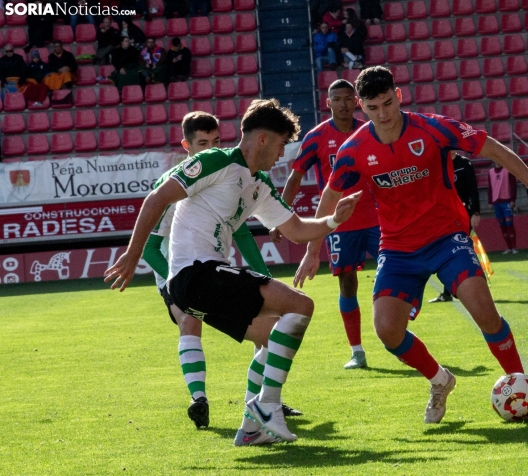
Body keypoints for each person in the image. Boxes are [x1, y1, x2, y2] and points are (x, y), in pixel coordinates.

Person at [294, 67, 528, 423]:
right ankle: (440, 381)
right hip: (396, 247)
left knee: (484, 312)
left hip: (446, 238)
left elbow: (497, 151)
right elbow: (329, 198)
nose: (383, 113)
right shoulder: (354, 150)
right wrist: (312, 250)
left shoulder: (434, 128)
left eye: (388, 103)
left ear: (399, 95)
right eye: (374, 107)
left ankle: (526, 386)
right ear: (361, 106)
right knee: (387, 331)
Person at [105, 98, 363, 444]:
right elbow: (156, 199)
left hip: (206, 281)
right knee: (301, 305)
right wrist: (133, 254)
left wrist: (333, 220)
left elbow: (297, 229)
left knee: (275, 338)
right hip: (195, 274)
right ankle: (268, 405)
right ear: (262, 139)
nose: (282, 154)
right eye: (281, 144)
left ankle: (251, 429)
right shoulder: (216, 162)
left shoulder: (260, 185)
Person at [141, 111, 301, 431]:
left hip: (210, 268)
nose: (209, 148)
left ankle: (261, 400)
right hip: (176, 273)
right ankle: (198, 399)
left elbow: (241, 233)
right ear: (187, 145)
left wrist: (264, 277)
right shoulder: (175, 184)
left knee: (267, 319)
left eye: (215, 141)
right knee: (189, 320)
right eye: (202, 143)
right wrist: (170, 283)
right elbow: (150, 248)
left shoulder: (225, 175)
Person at [274, 79, 378, 370]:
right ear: (327, 102)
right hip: (338, 223)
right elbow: (295, 177)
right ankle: (357, 351)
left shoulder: (369, 129)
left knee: (394, 269)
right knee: (347, 283)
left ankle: (393, 326)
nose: (343, 104)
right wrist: (279, 215)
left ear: (356, 101)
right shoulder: (317, 136)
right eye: (337, 99)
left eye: (348, 98)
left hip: (377, 216)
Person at [430, 152, 481, 302]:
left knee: (461, 249)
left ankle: (471, 287)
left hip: (463, 212)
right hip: (445, 213)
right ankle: (449, 291)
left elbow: (473, 189)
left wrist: (475, 212)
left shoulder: (464, 163)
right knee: (447, 250)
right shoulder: (438, 163)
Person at [487, 162, 518, 254]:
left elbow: (513, 185)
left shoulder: (508, 170)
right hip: (496, 203)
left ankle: (514, 248)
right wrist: (490, 201)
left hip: (506, 201)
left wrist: (513, 199)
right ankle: (508, 248)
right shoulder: (490, 172)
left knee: (509, 224)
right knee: (502, 225)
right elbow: (490, 188)